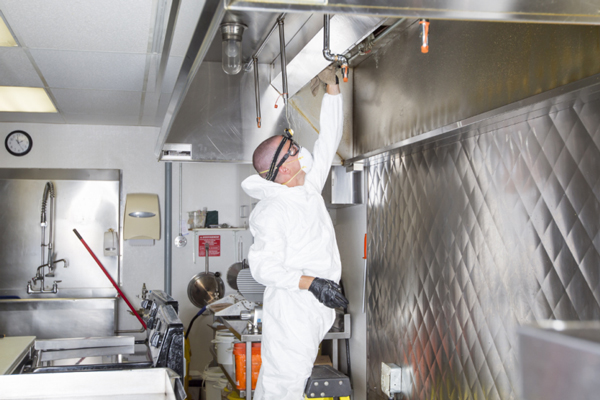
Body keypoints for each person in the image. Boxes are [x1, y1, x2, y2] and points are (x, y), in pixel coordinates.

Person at [241, 66, 349, 400]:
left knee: (290, 382)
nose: (298, 147)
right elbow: (263, 268)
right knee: (282, 385)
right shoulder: (272, 211)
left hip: (315, 304)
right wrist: (313, 284)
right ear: (284, 168)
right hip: (293, 307)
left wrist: (333, 89)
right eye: (291, 148)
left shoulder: (305, 187)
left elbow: (328, 140)